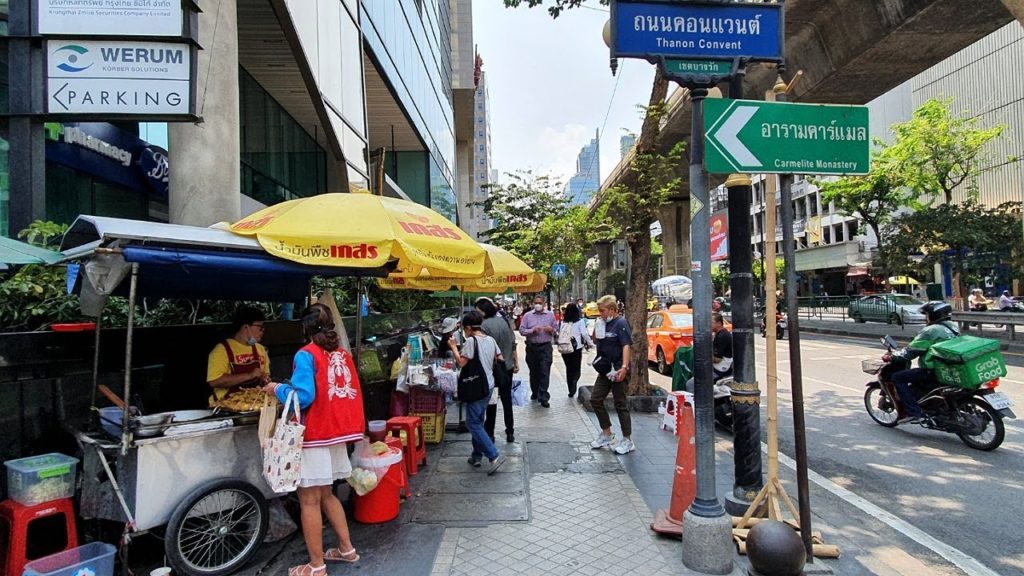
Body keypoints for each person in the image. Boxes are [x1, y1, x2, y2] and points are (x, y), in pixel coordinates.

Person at [263, 304, 363, 576]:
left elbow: (304, 396)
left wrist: (277, 388)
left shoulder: (306, 355)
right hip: (337, 433)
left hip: (315, 434)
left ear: (304, 328)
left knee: (308, 500)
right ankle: (346, 550)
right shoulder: (341, 353)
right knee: (327, 493)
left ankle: (316, 566)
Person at [449, 311, 507, 474]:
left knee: (472, 423)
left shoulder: (471, 341)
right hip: (488, 385)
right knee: (478, 421)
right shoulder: (490, 340)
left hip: (476, 387)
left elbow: (461, 363)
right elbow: (500, 358)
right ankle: (476, 455)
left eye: (464, 329)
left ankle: (494, 455)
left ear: (468, 328)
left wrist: (454, 347)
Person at [890, 301, 959, 423]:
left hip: (933, 370)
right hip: (951, 367)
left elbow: (911, 351)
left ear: (934, 315)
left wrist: (894, 356)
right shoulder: (953, 326)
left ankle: (915, 413)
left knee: (897, 377)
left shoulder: (930, 331)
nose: (925, 318)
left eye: (926, 314)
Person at [589, 295, 635, 455]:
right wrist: (597, 326)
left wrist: (624, 367)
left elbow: (626, 346)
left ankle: (627, 440)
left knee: (620, 403)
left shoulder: (621, 323)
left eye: (602, 310)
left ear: (612, 310)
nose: (600, 313)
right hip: (605, 369)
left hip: (617, 368)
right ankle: (606, 432)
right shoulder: (602, 323)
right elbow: (595, 340)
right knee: (595, 399)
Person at [476, 297, 519, 443]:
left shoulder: (484, 326)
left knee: (492, 401)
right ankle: (510, 431)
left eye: (478, 311)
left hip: (493, 369)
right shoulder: (504, 322)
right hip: (507, 366)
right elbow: (513, 343)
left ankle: (490, 434)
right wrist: (515, 362)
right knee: (507, 400)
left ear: (484, 311)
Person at [207, 306, 270, 405]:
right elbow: (214, 381)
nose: (263, 331)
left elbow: (265, 376)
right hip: (224, 407)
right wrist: (249, 375)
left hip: (254, 405)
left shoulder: (261, 349)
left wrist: (265, 380)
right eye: (260, 327)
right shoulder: (221, 350)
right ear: (246, 327)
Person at [519, 295, 557, 407]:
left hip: (545, 347)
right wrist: (532, 331)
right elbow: (521, 330)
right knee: (534, 372)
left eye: (540, 303)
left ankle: (543, 396)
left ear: (544, 304)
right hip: (532, 348)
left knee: (544, 371)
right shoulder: (527, 316)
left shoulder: (550, 315)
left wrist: (551, 330)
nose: (538, 305)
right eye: (536, 302)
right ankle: (535, 392)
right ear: (533, 303)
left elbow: (556, 330)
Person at [559, 302, 594, 398]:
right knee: (576, 368)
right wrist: (590, 343)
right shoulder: (580, 322)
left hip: (565, 349)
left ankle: (570, 388)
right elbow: (584, 334)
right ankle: (574, 381)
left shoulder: (563, 323)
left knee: (568, 369)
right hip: (576, 348)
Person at [712, 312, 733, 381]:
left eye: (711, 322)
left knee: (690, 384)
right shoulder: (720, 334)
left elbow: (718, 359)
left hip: (721, 368)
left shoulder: (722, 336)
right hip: (722, 366)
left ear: (718, 323)